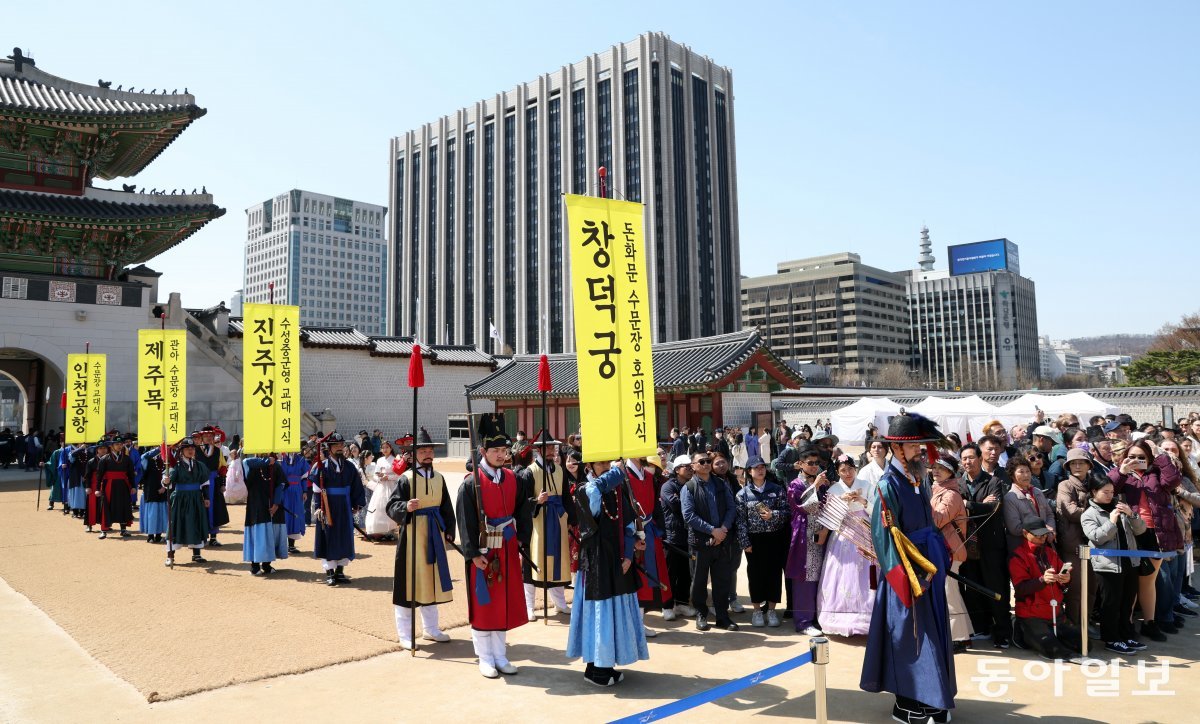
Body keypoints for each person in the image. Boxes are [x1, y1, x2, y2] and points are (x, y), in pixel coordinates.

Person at [859, 413, 956, 724]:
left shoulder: (919, 480)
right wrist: (906, 578)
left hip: (929, 569)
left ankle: (934, 698)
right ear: (898, 449)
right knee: (911, 637)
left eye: (922, 447)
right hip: (908, 575)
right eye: (916, 448)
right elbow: (883, 537)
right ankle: (909, 702)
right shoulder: (888, 486)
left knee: (932, 633)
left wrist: (938, 556)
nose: (922, 453)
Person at [456, 414, 531, 678]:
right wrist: (473, 554)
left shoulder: (513, 478)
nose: (501, 455)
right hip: (484, 548)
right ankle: (484, 657)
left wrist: (521, 537)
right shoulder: (470, 484)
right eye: (495, 450)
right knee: (484, 601)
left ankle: (500, 655)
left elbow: (524, 509)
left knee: (505, 600)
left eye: (504, 450)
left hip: (507, 546)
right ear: (482, 451)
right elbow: (464, 521)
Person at [566, 457, 649, 687]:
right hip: (597, 560)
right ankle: (598, 669)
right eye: (599, 463)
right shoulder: (585, 489)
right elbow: (593, 500)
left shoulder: (616, 488)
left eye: (607, 463)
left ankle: (603, 663)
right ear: (588, 467)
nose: (605, 467)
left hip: (619, 558)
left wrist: (631, 552)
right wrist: (614, 474)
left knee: (614, 611)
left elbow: (628, 523)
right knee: (599, 612)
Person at [387, 429, 456, 649]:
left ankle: (431, 628)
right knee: (409, 582)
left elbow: (446, 506)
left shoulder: (439, 478)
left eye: (430, 450)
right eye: (423, 450)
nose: (427, 454)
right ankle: (405, 634)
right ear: (414, 454)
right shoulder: (406, 479)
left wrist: (449, 530)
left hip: (434, 532)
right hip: (412, 536)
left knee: (432, 580)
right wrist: (405, 507)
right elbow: (391, 506)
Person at [1109, 440, 1183, 639]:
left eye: (1141, 457)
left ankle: (1150, 623)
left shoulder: (1157, 473)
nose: (1136, 460)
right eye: (1131, 456)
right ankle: (1128, 624)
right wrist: (1122, 471)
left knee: (1148, 581)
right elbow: (1108, 491)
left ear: (1149, 458)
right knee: (1131, 581)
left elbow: (1174, 481)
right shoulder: (1121, 473)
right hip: (1130, 531)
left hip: (1156, 532)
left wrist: (1160, 455)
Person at [1081, 477, 1147, 654]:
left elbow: (1141, 530)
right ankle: (1111, 639)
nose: (1110, 496)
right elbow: (1096, 537)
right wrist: (1111, 522)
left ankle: (1126, 635)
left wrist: (1132, 515)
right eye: (1105, 492)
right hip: (1107, 565)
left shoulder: (1121, 507)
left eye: (1112, 492)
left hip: (1130, 561)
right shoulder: (1089, 514)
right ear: (1094, 492)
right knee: (1111, 603)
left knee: (1127, 602)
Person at [816, 454, 876, 636]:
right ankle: (839, 617)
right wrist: (840, 503)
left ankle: (869, 616)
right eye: (843, 470)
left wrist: (863, 502)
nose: (847, 473)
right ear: (838, 472)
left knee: (866, 571)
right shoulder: (834, 489)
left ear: (855, 469)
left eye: (850, 469)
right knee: (841, 571)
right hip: (842, 533)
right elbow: (828, 517)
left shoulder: (866, 485)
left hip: (864, 530)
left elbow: (876, 508)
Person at [681, 450, 739, 631]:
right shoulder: (689, 487)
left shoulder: (721, 484)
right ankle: (701, 614)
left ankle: (722, 616)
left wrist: (722, 530)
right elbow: (688, 515)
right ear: (693, 466)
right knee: (698, 581)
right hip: (700, 543)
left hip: (722, 540)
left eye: (708, 462)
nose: (706, 464)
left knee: (722, 580)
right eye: (702, 462)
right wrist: (712, 531)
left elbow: (731, 508)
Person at [520, 431, 573, 622]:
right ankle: (529, 607)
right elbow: (521, 502)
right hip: (537, 524)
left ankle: (560, 603)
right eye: (548, 448)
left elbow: (566, 497)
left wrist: (572, 520)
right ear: (539, 450)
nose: (552, 451)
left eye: (553, 447)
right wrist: (536, 501)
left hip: (558, 520)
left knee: (557, 562)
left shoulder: (559, 470)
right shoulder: (529, 472)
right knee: (534, 563)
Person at [1010, 515, 1080, 660]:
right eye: (1038, 534)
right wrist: (1042, 580)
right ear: (1025, 533)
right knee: (1056, 651)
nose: (1042, 538)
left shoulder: (1050, 552)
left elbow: (1063, 575)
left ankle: (1048, 637)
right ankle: (1020, 629)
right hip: (1032, 616)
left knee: (1083, 645)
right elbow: (1020, 589)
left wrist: (1066, 579)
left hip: (1056, 614)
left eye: (1044, 534)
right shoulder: (1018, 556)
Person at [735, 455, 790, 628]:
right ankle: (757, 611)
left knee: (774, 573)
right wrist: (745, 542)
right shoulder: (742, 494)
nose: (760, 470)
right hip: (754, 539)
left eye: (762, 467)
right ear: (749, 472)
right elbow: (740, 521)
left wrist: (774, 515)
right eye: (756, 467)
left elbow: (787, 512)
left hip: (775, 538)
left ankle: (772, 610)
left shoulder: (777, 489)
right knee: (756, 574)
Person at [624, 453, 672, 635]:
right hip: (630, 533)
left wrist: (660, 529)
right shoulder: (622, 476)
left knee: (647, 578)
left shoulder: (649, 476)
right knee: (634, 577)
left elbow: (656, 507)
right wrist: (632, 536)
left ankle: (638, 623)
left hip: (650, 531)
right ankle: (631, 625)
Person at [311, 432, 367, 586]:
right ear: (329, 448)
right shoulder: (321, 467)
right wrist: (318, 507)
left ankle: (340, 571)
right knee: (328, 537)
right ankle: (329, 572)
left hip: (344, 506)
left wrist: (357, 504)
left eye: (341, 445)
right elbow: (316, 490)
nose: (340, 448)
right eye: (336, 445)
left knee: (344, 537)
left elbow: (357, 486)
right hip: (327, 506)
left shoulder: (349, 466)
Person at [785, 441, 829, 635]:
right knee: (805, 577)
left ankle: (818, 617)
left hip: (821, 534)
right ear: (800, 464)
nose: (813, 466)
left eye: (816, 463)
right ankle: (803, 621)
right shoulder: (795, 484)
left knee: (821, 576)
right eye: (809, 462)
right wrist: (816, 486)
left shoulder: (820, 483)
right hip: (804, 535)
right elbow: (801, 508)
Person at [930, 455, 973, 651]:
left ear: (950, 472)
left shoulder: (950, 495)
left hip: (949, 549)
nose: (935, 470)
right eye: (934, 467)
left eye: (941, 468)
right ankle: (964, 634)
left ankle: (958, 638)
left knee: (949, 592)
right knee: (951, 591)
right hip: (945, 548)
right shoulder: (939, 490)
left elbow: (938, 520)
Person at [1055, 448, 1093, 625]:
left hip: (1094, 541)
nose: (1077, 466)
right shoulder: (1065, 485)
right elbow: (1070, 511)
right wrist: (1096, 514)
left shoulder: (1094, 483)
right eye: (1073, 463)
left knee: (1092, 586)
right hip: (1072, 543)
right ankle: (1073, 624)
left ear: (1088, 465)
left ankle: (1087, 622)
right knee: (1076, 588)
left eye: (1081, 462)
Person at [659, 455, 699, 621]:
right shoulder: (668, 486)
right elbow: (677, 506)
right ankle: (667, 606)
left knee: (685, 573)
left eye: (691, 466)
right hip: (672, 536)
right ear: (677, 470)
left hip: (688, 536)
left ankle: (682, 603)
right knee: (670, 573)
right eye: (686, 467)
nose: (690, 469)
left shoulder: (693, 485)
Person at [166, 437, 211, 566]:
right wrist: (166, 481)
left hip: (196, 498)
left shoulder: (200, 465)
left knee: (196, 522)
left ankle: (196, 554)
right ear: (181, 451)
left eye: (192, 448)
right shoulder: (176, 466)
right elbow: (168, 481)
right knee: (176, 524)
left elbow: (204, 483)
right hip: (180, 499)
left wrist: (206, 497)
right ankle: (170, 555)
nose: (191, 451)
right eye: (187, 449)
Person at [242, 453, 288, 575]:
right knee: (256, 532)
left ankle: (267, 564)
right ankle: (255, 565)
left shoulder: (276, 466)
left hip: (271, 504)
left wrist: (276, 503)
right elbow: (249, 464)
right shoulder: (248, 462)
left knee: (270, 533)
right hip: (255, 503)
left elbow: (280, 485)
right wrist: (267, 461)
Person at [1002, 456, 1055, 554]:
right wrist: (1044, 530)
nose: (1026, 475)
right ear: (1012, 475)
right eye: (1021, 472)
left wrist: (1050, 531)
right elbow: (1015, 528)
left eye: (1028, 471)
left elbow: (1049, 514)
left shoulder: (1037, 491)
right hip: (1024, 548)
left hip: (1045, 544)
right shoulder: (1010, 498)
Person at [96, 436, 136, 539]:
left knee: (123, 505)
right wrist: (97, 489)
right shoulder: (105, 459)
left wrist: (133, 486)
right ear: (112, 446)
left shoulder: (127, 459)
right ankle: (104, 530)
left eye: (120, 444)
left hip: (123, 485)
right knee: (106, 506)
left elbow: (131, 474)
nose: (119, 446)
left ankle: (123, 529)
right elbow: (99, 475)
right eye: (117, 444)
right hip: (109, 486)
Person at [196, 427, 229, 547]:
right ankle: (202, 536)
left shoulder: (218, 451)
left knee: (215, 508)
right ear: (202, 438)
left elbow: (223, 468)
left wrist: (222, 484)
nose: (208, 438)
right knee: (200, 509)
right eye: (206, 436)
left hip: (214, 483)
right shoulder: (195, 450)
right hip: (200, 483)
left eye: (211, 436)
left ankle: (213, 537)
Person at [364, 439, 401, 540]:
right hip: (381, 487)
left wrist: (387, 477)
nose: (385, 449)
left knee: (389, 506)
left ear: (391, 448)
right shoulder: (379, 460)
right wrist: (379, 478)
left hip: (391, 486)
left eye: (387, 447)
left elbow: (398, 475)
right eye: (383, 447)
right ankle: (381, 531)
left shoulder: (395, 460)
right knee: (379, 508)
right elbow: (375, 475)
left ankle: (391, 531)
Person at [278, 449, 309, 553]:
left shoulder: (301, 459)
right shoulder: (280, 458)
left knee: (295, 515)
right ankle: (281, 545)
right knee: (284, 514)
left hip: (297, 490)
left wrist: (305, 491)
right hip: (284, 490)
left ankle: (291, 545)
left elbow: (304, 478)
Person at [139, 447, 169, 543]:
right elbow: (143, 457)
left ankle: (159, 535)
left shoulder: (166, 460)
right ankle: (150, 535)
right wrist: (158, 449)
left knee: (161, 512)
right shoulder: (147, 459)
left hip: (163, 488)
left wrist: (164, 487)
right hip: (150, 489)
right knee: (152, 513)